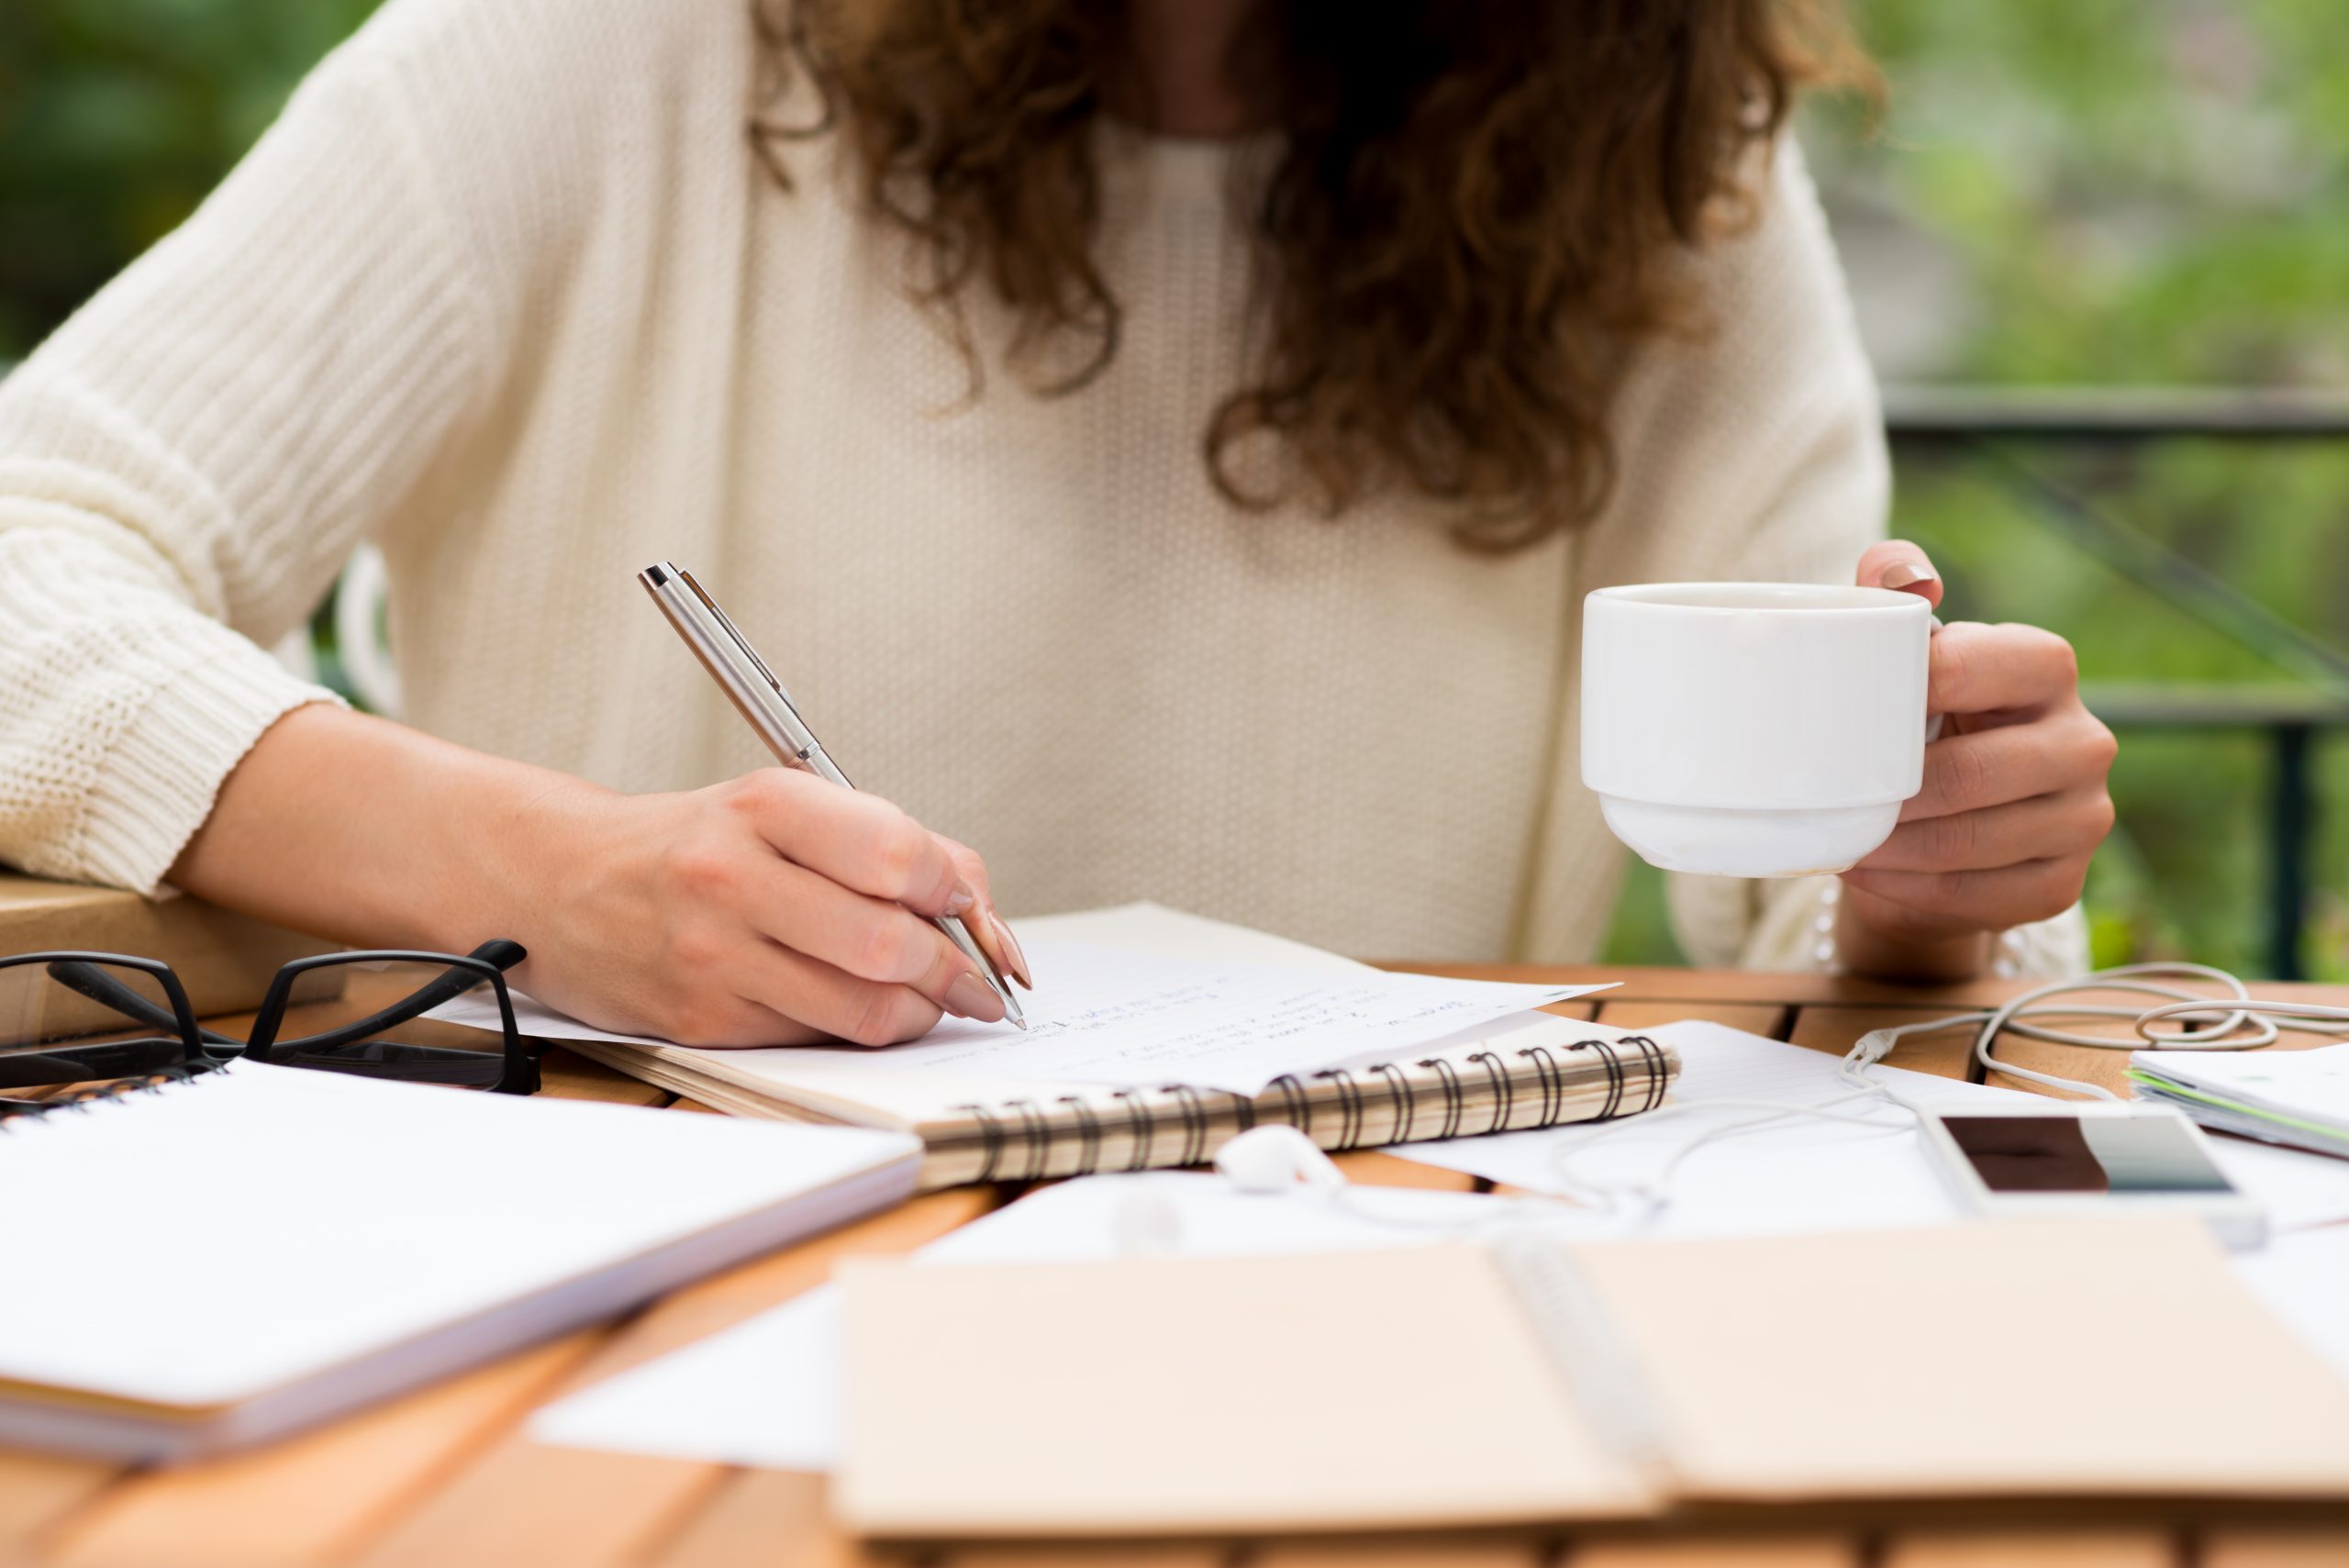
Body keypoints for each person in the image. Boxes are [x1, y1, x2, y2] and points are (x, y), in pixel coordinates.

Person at [0, 0, 2116, 1049]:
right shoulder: (595, 50)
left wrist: (1933, 888)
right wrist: (562, 878)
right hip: (645, 1274)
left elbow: (1861, 972)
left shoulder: (1661, 170)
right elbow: (33, 547)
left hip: (1382, 1276)